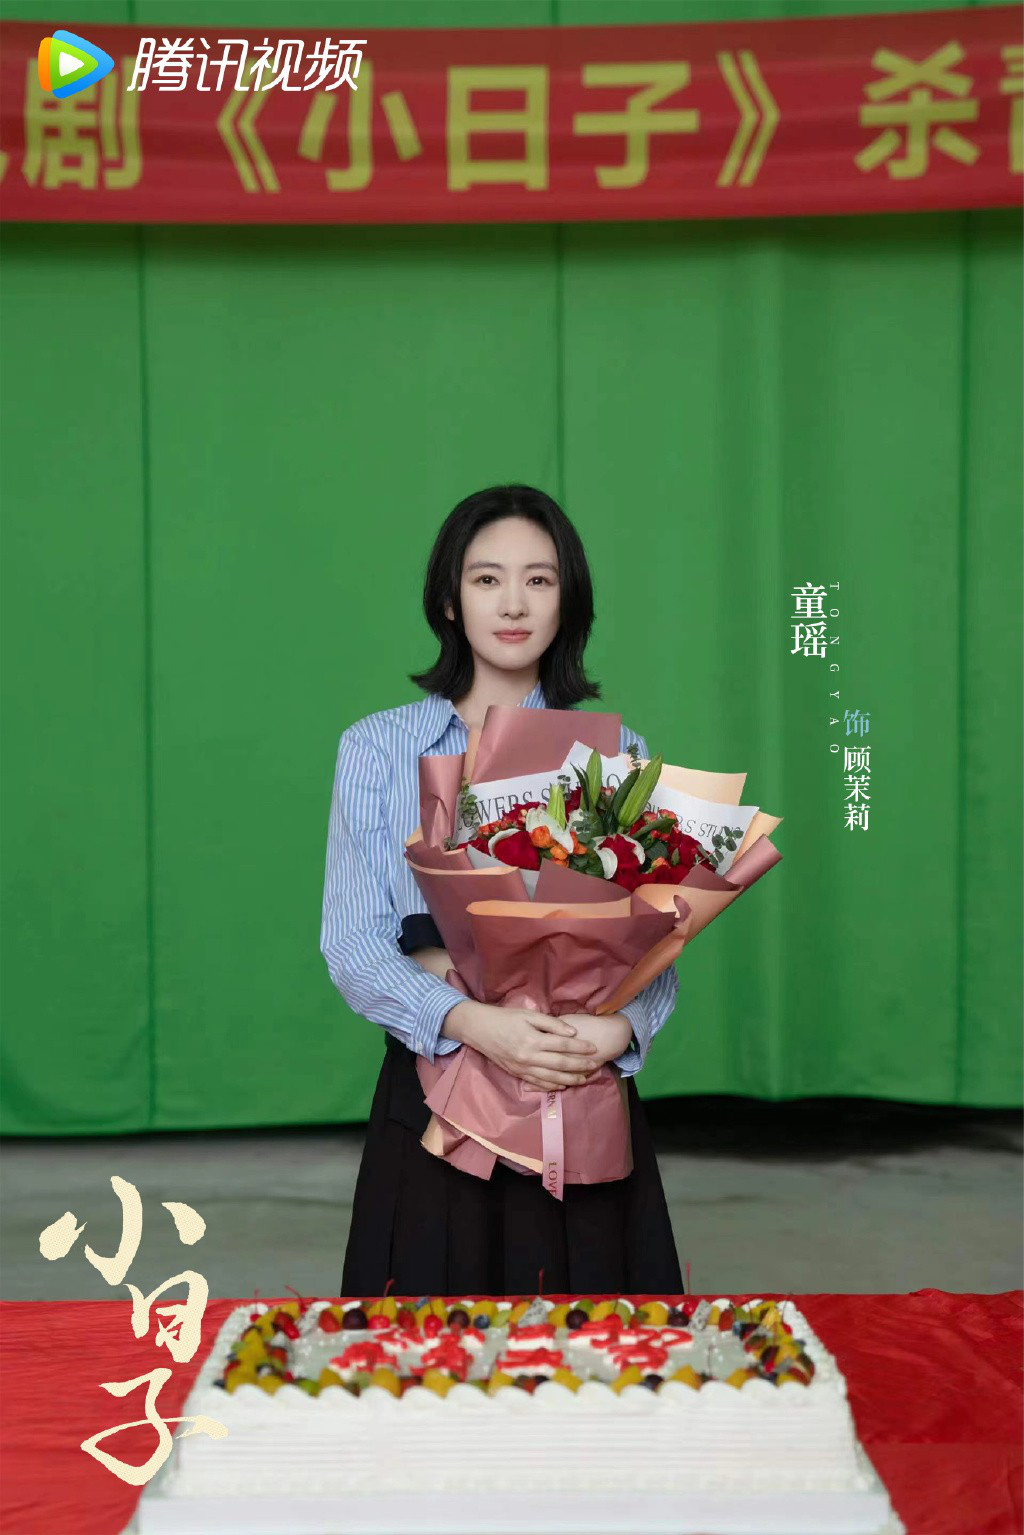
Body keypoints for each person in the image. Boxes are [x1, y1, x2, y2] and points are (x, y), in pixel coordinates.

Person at [320, 484, 683, 1298]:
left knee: (599, 1354)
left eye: (539, 580)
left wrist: (619, 1029)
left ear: (567, 599)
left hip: (578, 1085)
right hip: (437, 1101)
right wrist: (476, 1024)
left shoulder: (617, 752)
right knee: (425, 1354)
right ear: (450, 600)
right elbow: (353, 942)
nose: (513, 603)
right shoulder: (378, 748)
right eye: (487, 579)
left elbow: (657, 942)